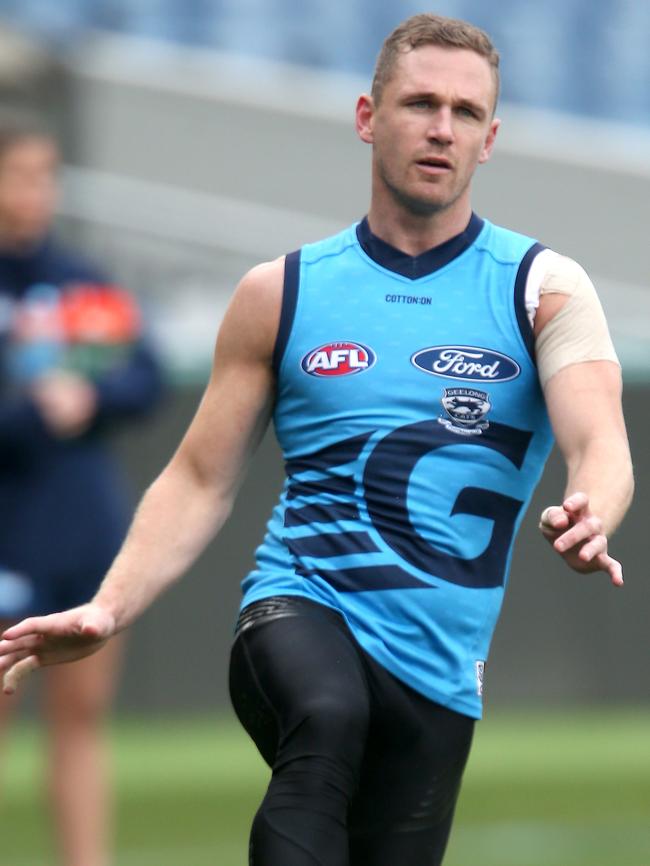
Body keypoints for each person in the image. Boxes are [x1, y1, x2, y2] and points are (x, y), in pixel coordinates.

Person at [0, 14, 633, 866]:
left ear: (491, 139)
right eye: (419, 103)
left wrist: (595, 508)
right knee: (326, 718)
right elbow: (197, 478)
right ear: (368, 116)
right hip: (297, 608)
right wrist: (111, 607)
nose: (442, 127)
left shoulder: (543, 290)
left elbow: (600, 441)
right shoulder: (282, 291)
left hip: (439, 669)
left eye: (466, 111)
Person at [0, 123, 163, 866]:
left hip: (83, 533)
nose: (32, 193)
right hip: (7, 529)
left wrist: (90, 399)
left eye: (43, 176)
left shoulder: (79, 282)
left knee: (82, 720)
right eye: (16, 175)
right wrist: (34, 410)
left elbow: (146, 375)